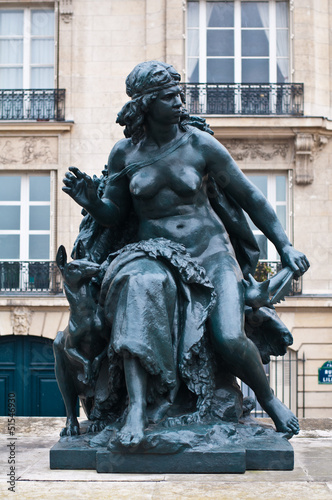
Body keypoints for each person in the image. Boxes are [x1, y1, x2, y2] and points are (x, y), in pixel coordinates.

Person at [63, 61, 309, 447]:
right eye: (168, 97)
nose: (179, 103)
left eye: (179, 95)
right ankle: (140, 409)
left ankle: (268, 399)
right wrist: (92, 203)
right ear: (145, 105)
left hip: (209, 251)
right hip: (153, 251)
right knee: (136, 288)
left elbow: (251, 197)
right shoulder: (124, 155)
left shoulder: (199, 144)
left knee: (228, 338)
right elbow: (114, 213)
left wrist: (284, 244)